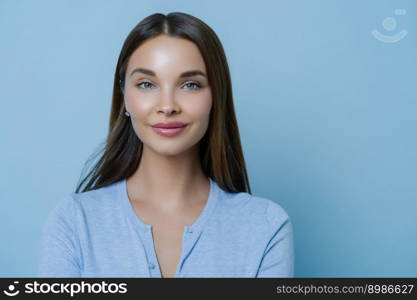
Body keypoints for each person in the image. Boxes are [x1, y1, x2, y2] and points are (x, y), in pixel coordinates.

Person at [37, 12, 294, 278]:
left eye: (191, 85)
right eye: (147, 84)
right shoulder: (75, 222)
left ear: (216, 96)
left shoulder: (266, 226)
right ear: (124, 96)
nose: (168, 106)